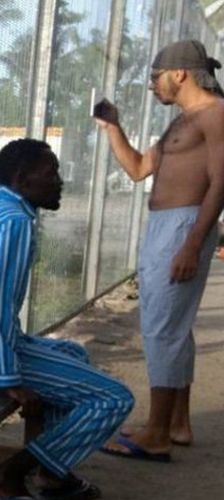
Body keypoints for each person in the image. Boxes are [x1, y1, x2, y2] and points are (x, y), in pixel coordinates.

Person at [0, 139, 134, 500]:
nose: (59, 181)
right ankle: (9, 476)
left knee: (74, 354)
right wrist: (6, 378)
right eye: (51, 173)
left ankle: (53, 475)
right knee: (114, 398)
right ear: (22, 179)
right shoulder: (14, 224)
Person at [96, 40, 224, 459]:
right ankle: (177, 424)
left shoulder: (216, 114)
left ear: (180, 73)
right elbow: (138, 169)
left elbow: (221, 182)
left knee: (161, 329)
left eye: (156, 76)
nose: (152, 84)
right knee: (173, 327)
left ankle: (156, 434)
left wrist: (192, 243)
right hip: (166, 227)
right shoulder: (182, 122)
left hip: (184, 226)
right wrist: (113, 127)